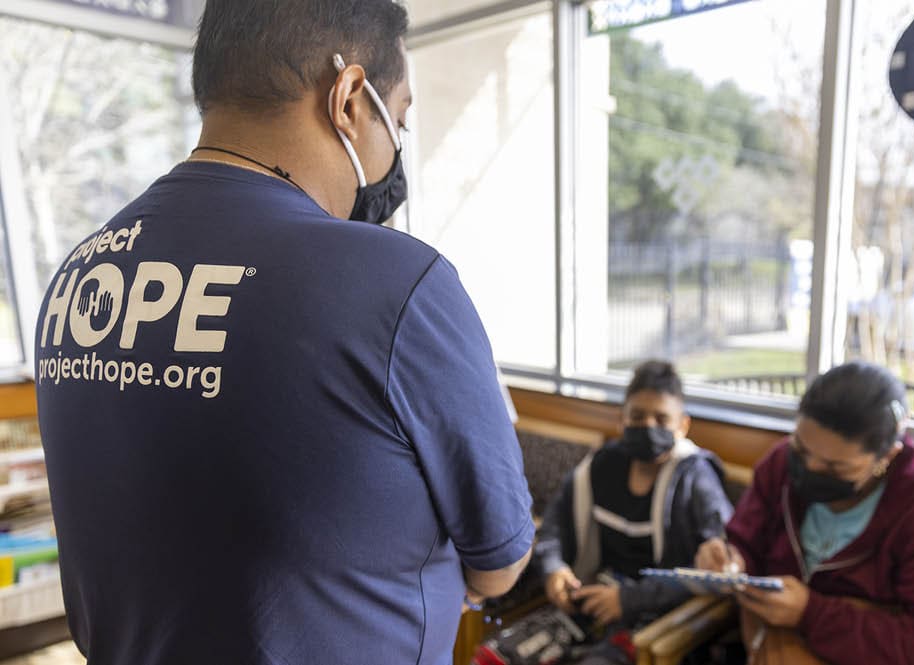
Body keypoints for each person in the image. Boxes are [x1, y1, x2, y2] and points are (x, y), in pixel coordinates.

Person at [33, 2, 533, 664]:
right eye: (401, 118)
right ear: (350, 97)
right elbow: (499, 561)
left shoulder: (80, 273)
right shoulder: (395, 283)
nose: (397, 147)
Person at [695, 362, 914, 665]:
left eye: (834, 467)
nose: (809, 469)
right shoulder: (780, 466)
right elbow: (747, 542)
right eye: (801, 449)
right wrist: (730, 558)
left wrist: (812, 614)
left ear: (887, 456)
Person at [478, 361, 733, 665]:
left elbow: (717, 556)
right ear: (622, 419)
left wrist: (627, 601)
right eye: (638, 416)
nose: (648, 426)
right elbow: (553, 527)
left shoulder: (695, 477)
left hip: (654, 616)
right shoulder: (600, 467)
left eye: (661, 418)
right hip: (590, 602)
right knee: (494, 658)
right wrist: (555, 569)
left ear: (682, 425)